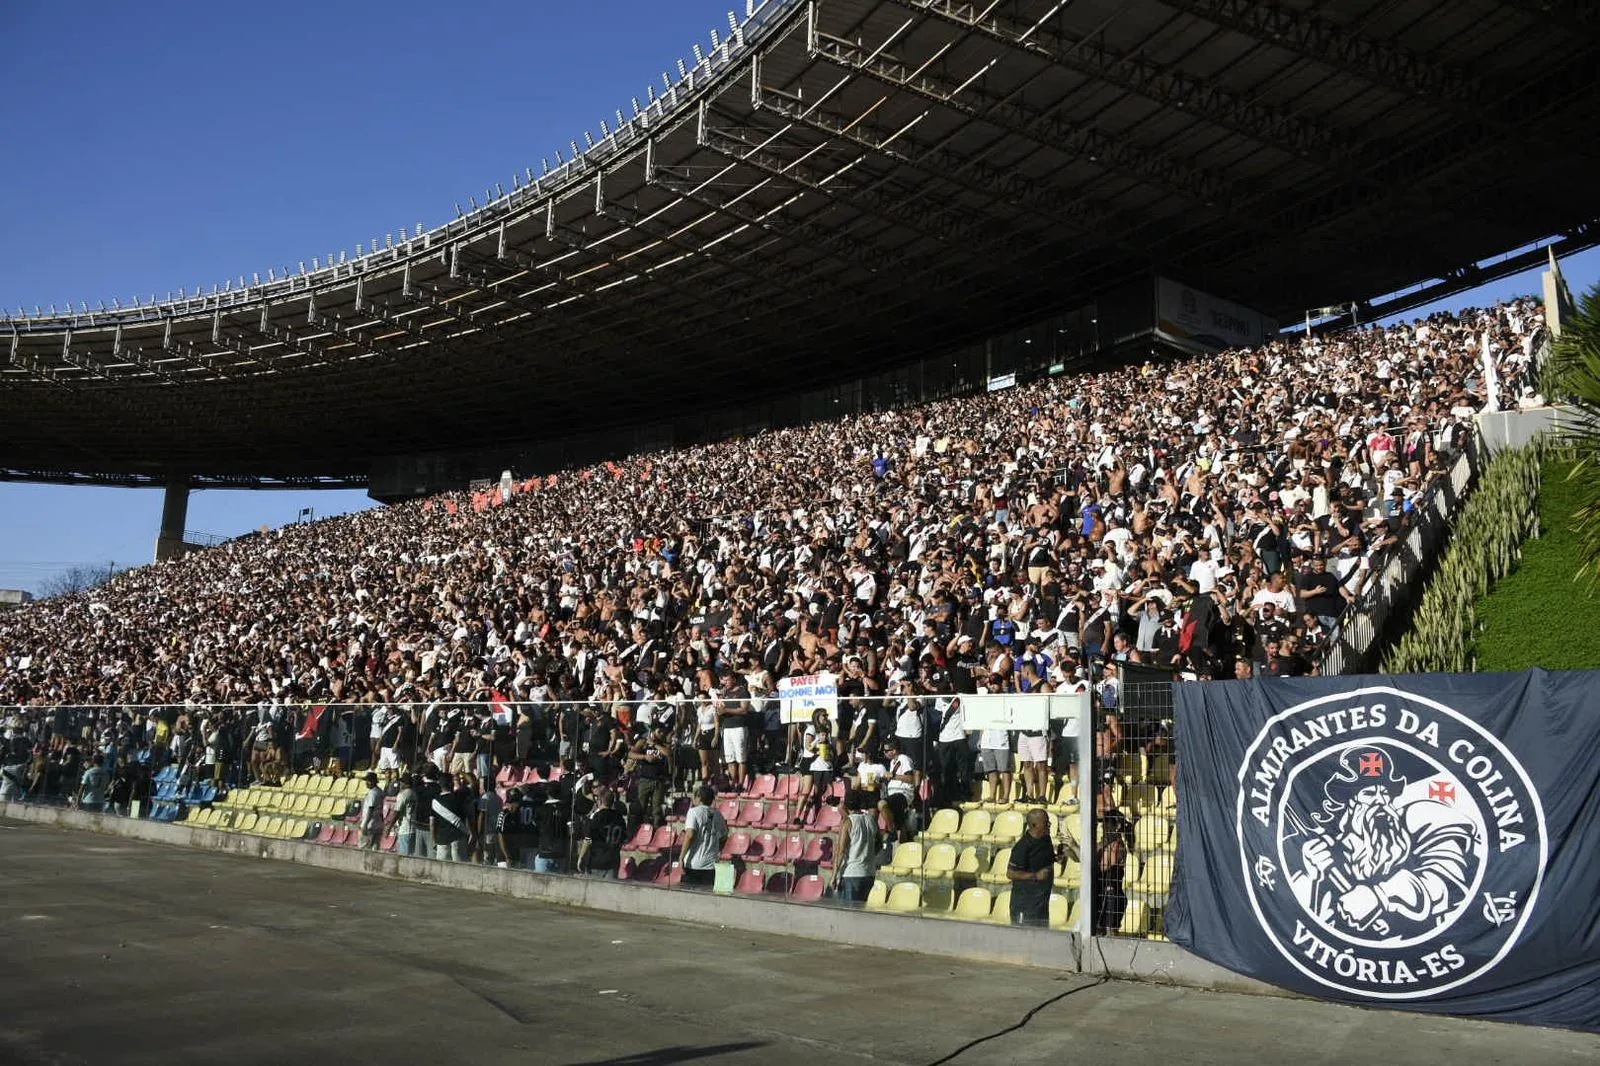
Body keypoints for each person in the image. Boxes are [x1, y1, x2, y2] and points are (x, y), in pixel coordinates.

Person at [1006, 807, 1059, 926]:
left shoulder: (1045, 839)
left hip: (1041, 904)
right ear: (1035, 825)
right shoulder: (1022, 847)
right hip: (1025, 905)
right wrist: (1035, 876)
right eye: (1046, 823)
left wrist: (1057, 858)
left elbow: (1046, 859)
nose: (1049, 825)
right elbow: (1010, 873)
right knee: (1023, 939)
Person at [833, 789, 880, 904]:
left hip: (852, 872)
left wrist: (834, 875)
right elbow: (879, 842)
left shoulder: (848, 822)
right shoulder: (871, 819)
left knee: (850, 915)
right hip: (869, 872)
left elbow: (841, 850)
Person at [678, 784, 726, 889]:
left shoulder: (693, 812)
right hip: (711, 864)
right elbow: (723, 836)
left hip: (694, 864)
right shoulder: (718, 814)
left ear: (698, 798)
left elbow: (689, 835)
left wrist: (681, 857)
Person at [576, 787, 627, 878]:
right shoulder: (620, 818)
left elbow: (588, 840)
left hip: (597, 860)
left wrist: (581, 857)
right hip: (613, 860)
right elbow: (623, 838)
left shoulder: (596, 817)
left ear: (599, 801)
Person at [387, 773, 419, 857]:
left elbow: (396, 812)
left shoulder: (403, 795)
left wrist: (388, 827)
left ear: (405, 783)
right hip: (413, 827)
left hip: (405, 828)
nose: (400, 784)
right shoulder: (414, 793)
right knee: (411, 854)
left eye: (401, 782)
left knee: (405, 856)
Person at [358, 772, 385, 850]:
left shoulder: (372, 793)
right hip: (379, 823)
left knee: (364, 847)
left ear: (372, 781)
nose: (366, 783)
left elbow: (371, 809)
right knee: (375, 849)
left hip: (370, 824)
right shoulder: (380, 791)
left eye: (368, 781)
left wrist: (365, 824)